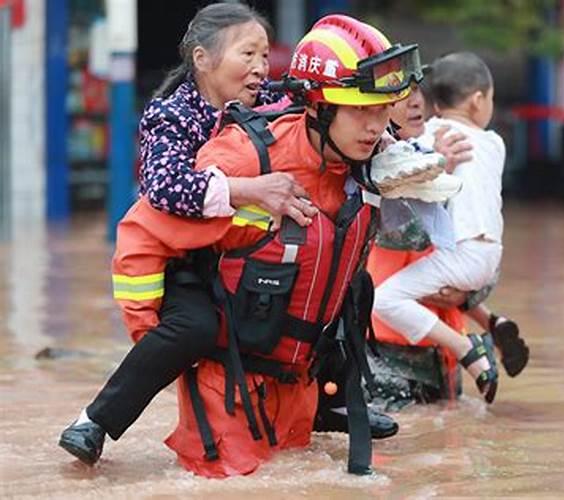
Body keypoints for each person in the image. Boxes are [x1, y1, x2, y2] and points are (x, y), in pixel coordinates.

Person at [57, 4, 394, 468]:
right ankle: (95, 420)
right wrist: (250, 189)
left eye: (263, 54)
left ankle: (331, 400)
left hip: (235, 248)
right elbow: (163, 188)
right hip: (182, 256)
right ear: (202, 59)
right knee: (192, 329)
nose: (260, 66)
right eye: (248, 53)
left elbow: (318, 103)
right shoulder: (172, 114)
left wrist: (388, 139)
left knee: (350, 282)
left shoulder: (265, 99)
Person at [372, 52, 529, 405]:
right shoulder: (376, 160)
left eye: (418, 93)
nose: (414, 103)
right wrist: (433, 164)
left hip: (438, 342)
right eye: (401, 95)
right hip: (389, 351)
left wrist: (434, 160)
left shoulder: (434, 140)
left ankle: (477, 338)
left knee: (445, 440)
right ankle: (487, 327)